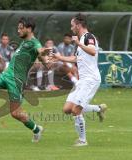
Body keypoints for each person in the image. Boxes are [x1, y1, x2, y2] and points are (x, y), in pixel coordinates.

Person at [51, 13, 107, 146]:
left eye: (72, 26)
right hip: (82, 80)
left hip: (91, 79)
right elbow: (75, 59)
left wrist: (78, 44)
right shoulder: (80, 41)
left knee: (76, 110)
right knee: (67, 109)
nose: (71, 28)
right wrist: (59, 57)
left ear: (78, 25)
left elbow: (93, 51)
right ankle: (99, 109)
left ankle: (82, 140)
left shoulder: (89, 37)